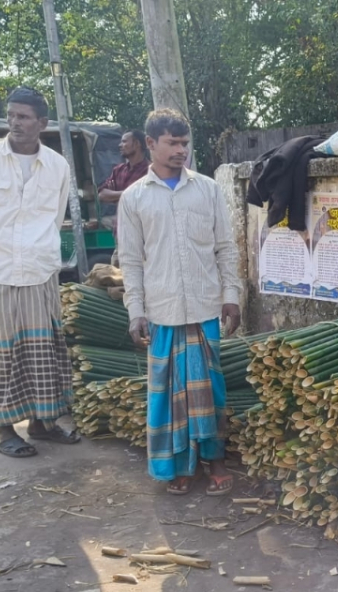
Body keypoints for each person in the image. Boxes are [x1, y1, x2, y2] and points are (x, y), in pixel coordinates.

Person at [117, 109, 242, 496]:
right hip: (162, 311)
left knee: (210, 392)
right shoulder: (134, 198)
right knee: (168, 398)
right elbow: (132, 261)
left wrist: (232, 296)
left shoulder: (206, 189)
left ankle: (215, 461)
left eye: (185, 143)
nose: (180, 150)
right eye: (172, 143)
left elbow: (225, 247)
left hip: (205, 308)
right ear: (150, 144)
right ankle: (181, 467)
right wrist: (135, 311)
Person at [0, 87, 81, 457]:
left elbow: (57, 215)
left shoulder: (57, 165)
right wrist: (1, 246)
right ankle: (4, 429)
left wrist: (34, 247)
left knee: (45, 348)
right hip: (3, 271)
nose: (15, 122)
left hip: (42, 270)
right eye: (11, 115)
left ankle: (42, 423)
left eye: (24, 117)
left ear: (42, 123)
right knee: (6, 351)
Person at [96, 129, 148, 205]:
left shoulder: (150, 170)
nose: (120, 145)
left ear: (137, 143)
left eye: (124, 142)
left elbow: (145, 196)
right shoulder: (118, 170)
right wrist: (130, 193)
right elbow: (101, 194)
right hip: (121, 216)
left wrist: (114, 195)